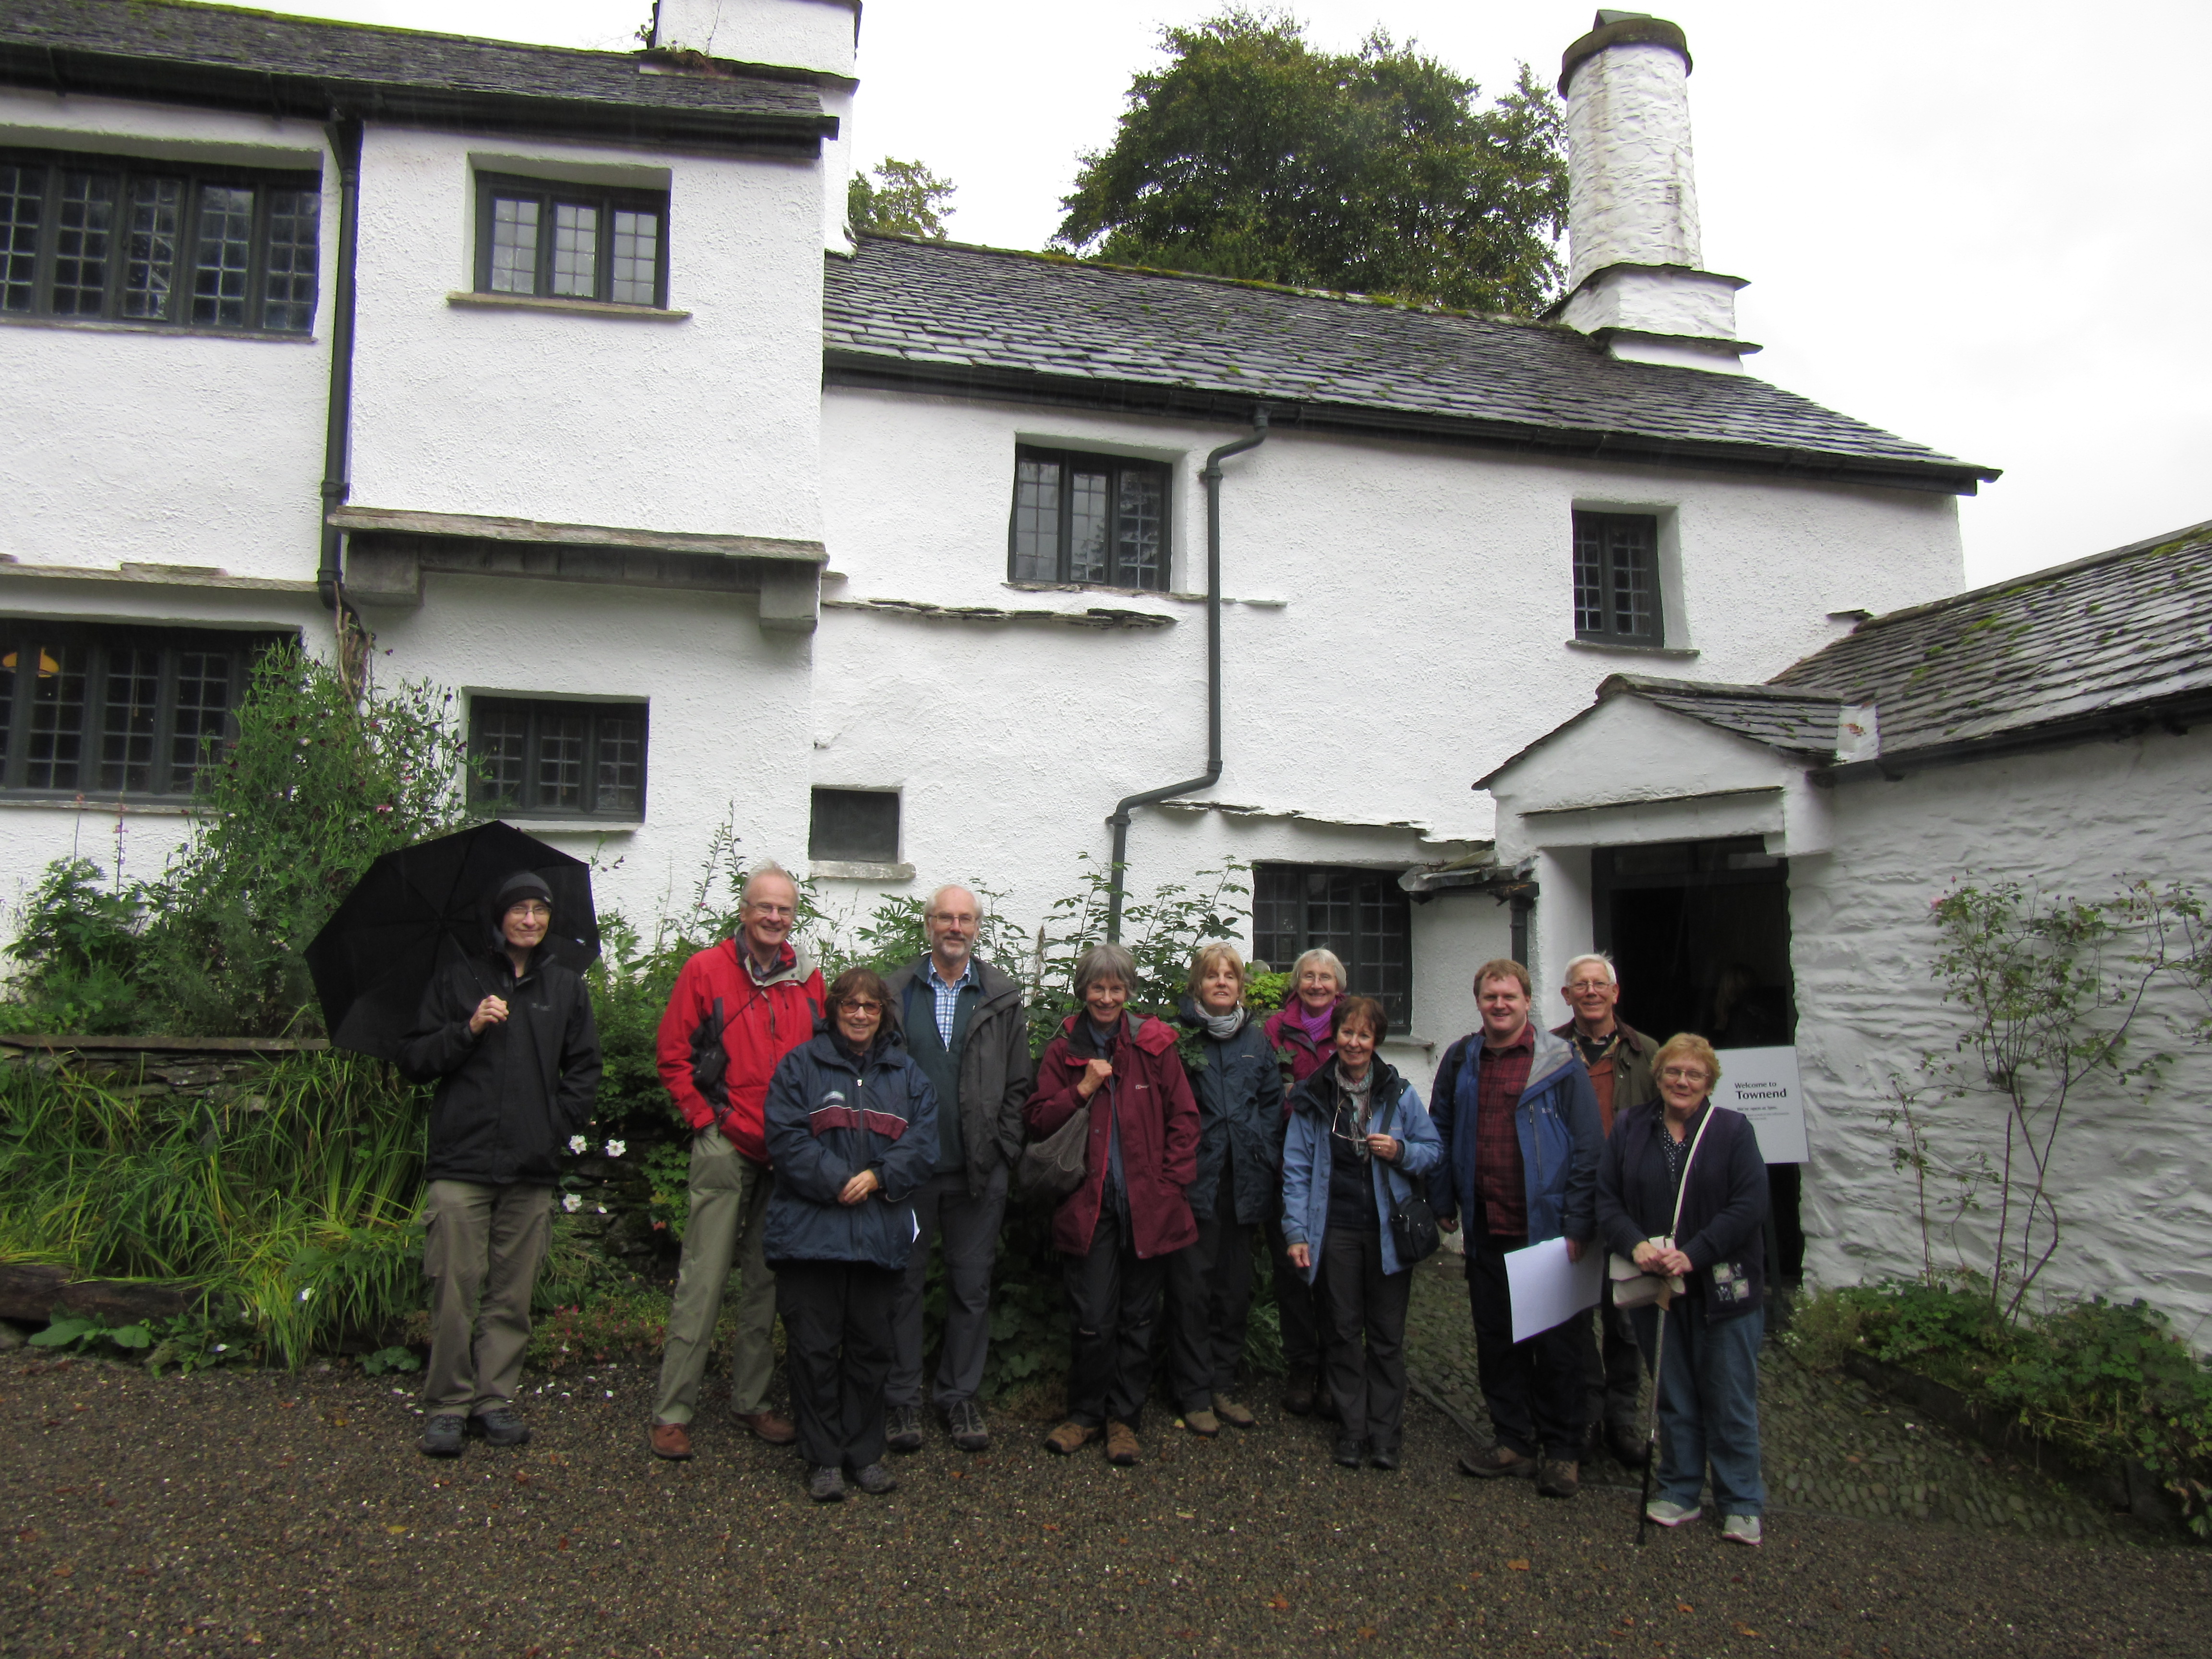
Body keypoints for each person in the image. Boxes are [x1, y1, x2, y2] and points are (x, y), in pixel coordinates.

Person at [399, 871, 601, 1458]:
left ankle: (494, 1399)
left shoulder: (564, 987)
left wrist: (553, 1128)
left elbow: (584, 1070)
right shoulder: (458, 980)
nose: (531, 920)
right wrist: (468, 1029)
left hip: (530, 1167)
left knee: (512, 1295)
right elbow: (414, 1059)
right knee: (454, 1289)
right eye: (520, 910)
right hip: (460, 1163)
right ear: (499, 917)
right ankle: (447, 1406)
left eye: (540, 910)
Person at [647, 863, 824, 1460]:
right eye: (764, 907)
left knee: (766, 1283)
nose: (775, 918)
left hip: (787, 1149)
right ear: (744, 911)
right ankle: (673, 1411)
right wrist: (703, 1121)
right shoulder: (707, 970)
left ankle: (752, 1402)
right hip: (726, 1141)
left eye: (785, 910)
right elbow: (673, 1055)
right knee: (703, 1277)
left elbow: (822, 1059)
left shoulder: (809, 977)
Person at [762, 968, 938, 1502]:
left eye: (871, 1006)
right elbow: (785, 1137)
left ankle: (864, 1454)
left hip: (879, 1236)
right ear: (833, 1010)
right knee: (814, 1350)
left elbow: (925, 1142)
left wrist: (881, 1176)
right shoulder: (800, 1067)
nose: (860, 1014)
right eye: (850, 1005)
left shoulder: (907, 1076)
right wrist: (838, 1180)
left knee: (871, 1349)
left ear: (884, 1013)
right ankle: (822, 1459)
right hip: (811, 1235)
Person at [1430, 958, 1603, 1499]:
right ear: (1479, 1002)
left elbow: (1588, 1147)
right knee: (1497, 1341)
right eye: (1490, 997)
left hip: (1546, 1229)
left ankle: (1564, 1450)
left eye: (1508, 996)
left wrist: (1579, 1221)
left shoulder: (1559, 1063)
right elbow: (1439, 1128)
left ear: (1528, 1001)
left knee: (1558, 1345)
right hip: (1487, 1225)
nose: (1499, 1005)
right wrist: (1442, 1198)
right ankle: (1514, 1441)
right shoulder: (1463, 1059)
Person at [1026, 943, 1199, 1465]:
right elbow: (1036, 1122)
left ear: (1129, 992)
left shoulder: (1154, 1044)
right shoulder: (1064, 1052)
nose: (1106, 997)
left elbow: (1185, 1122)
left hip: (1150, 1206)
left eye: (1116, 988)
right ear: (1083, 990)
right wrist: (1082, 1088)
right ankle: (1084, 1415)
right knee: (1093, 1317)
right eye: (1097, 988)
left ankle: (1125, 1420)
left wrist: (1169, 1185)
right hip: (1089, 1204)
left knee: (1139, 1319)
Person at [1597, 1034, 1770, 1545]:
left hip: (1723, 1286)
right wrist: (1635, 1245)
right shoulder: (1631, 1128)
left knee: (1730, 1394)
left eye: (1694, 1074)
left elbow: (1750, 1205)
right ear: (1660, 1076)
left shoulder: (1733, 1131)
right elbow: (1607, 1199)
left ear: (1709, 1082)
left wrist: (1695, 1251)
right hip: (1658, 1284)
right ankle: (1679, 1487)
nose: (1682, 1082)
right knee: (1673, 1393)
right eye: (1673, 1072)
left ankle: (1741, 1500)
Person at [880, 885, 1034, 1455]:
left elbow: (1019, 1083)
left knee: (972, 1289)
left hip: (978, 1170)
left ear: (977, 928)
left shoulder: (1001, 995)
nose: (954, 927)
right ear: (928, 925)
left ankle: (958, 1395)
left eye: (964, 919)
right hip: (909, 1171)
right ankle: (899, 1400)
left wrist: (1004, 1150)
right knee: (903, 1287)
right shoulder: (895, 992)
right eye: (945, 917)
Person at [1280, 996, 1441, 1469]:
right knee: (1344, 1333)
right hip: (1337, 1231)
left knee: (1387, 1336)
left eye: (1363, 1035)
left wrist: (1401, 1150)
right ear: (1335, 1037)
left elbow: (1433, 1151)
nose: (1353, 1042)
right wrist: (1296, 1232)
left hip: (1388, 1231)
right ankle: (1352, 1429)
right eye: (1346, 1033)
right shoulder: (1314, 1094)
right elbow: (1296, 1167)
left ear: (1376, 1041)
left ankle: (1385, 1434)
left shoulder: (1400, 1093)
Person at [1166, 942, 1285, 1435]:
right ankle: (1192, 1393)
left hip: (1246, 1184)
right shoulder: (1180, 1041)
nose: (1221, 983)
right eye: (1212, 976)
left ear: (1240, 987)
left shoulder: (1258, 1042)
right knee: (1192, 1291)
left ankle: (1222, 1385)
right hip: (1197, 1184)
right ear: (1198, 985)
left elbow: (1273, 1106)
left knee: (1234, 1293)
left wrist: (1264, 1155)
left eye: (1229, 976)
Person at [1553, 951, 1659, 1467]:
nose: (1591, 992)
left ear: (1615, 994)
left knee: (1627, 1319)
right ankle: (1588, 1414)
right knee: (1575, 1316)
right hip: (1570, 1198)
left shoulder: (1646, 1053)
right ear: (1566, 996)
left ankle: (1622, 1418)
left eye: (1600, 984)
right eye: (1581, 985)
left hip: (1629, 1205)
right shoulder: (1549, 1051)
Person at [1260, 946, 1345, 1416]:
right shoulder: (1276, 1029)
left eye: (1325, 978)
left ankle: (1335, 1371)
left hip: (1338, 1169)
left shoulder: (1350, 1023)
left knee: (1335, 1275)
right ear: (1297, 983)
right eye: (1309, 977)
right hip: (1287, 1167)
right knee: (1292, 1273)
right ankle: (1301, 1368)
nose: (1316, 985)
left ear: (1339, 986)